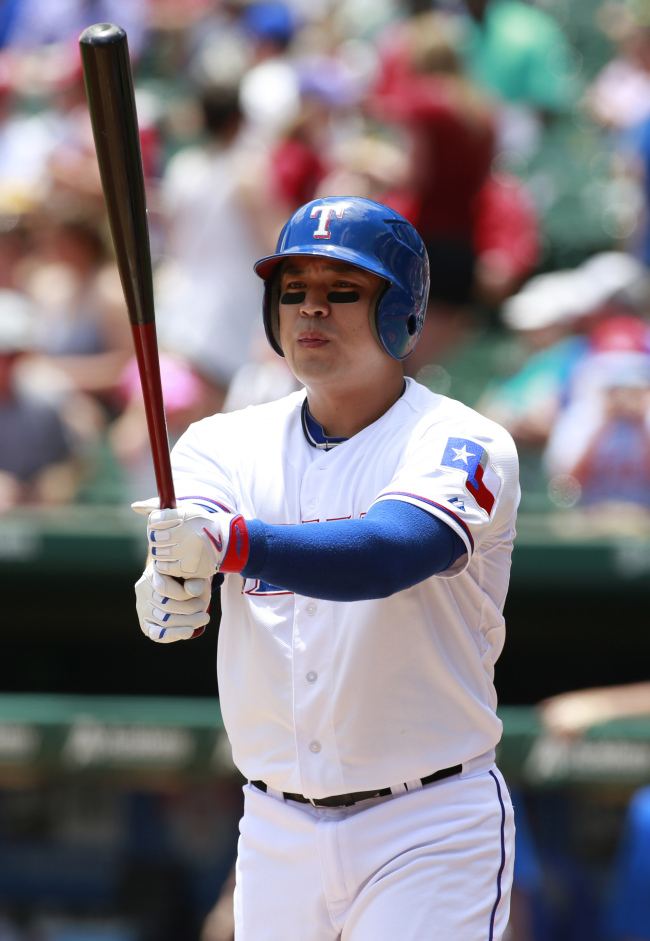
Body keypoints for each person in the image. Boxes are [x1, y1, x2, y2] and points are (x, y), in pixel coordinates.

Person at [133, 196, 519, 941]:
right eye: (294, 292)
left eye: (343, 291)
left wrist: (230, 544)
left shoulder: (461, 441)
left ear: (398, 311)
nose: (312, 310)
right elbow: (191, 545)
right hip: (276, 827)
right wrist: (167, 587)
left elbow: (388, 551)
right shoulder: (221, 443)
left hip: (428, 822)